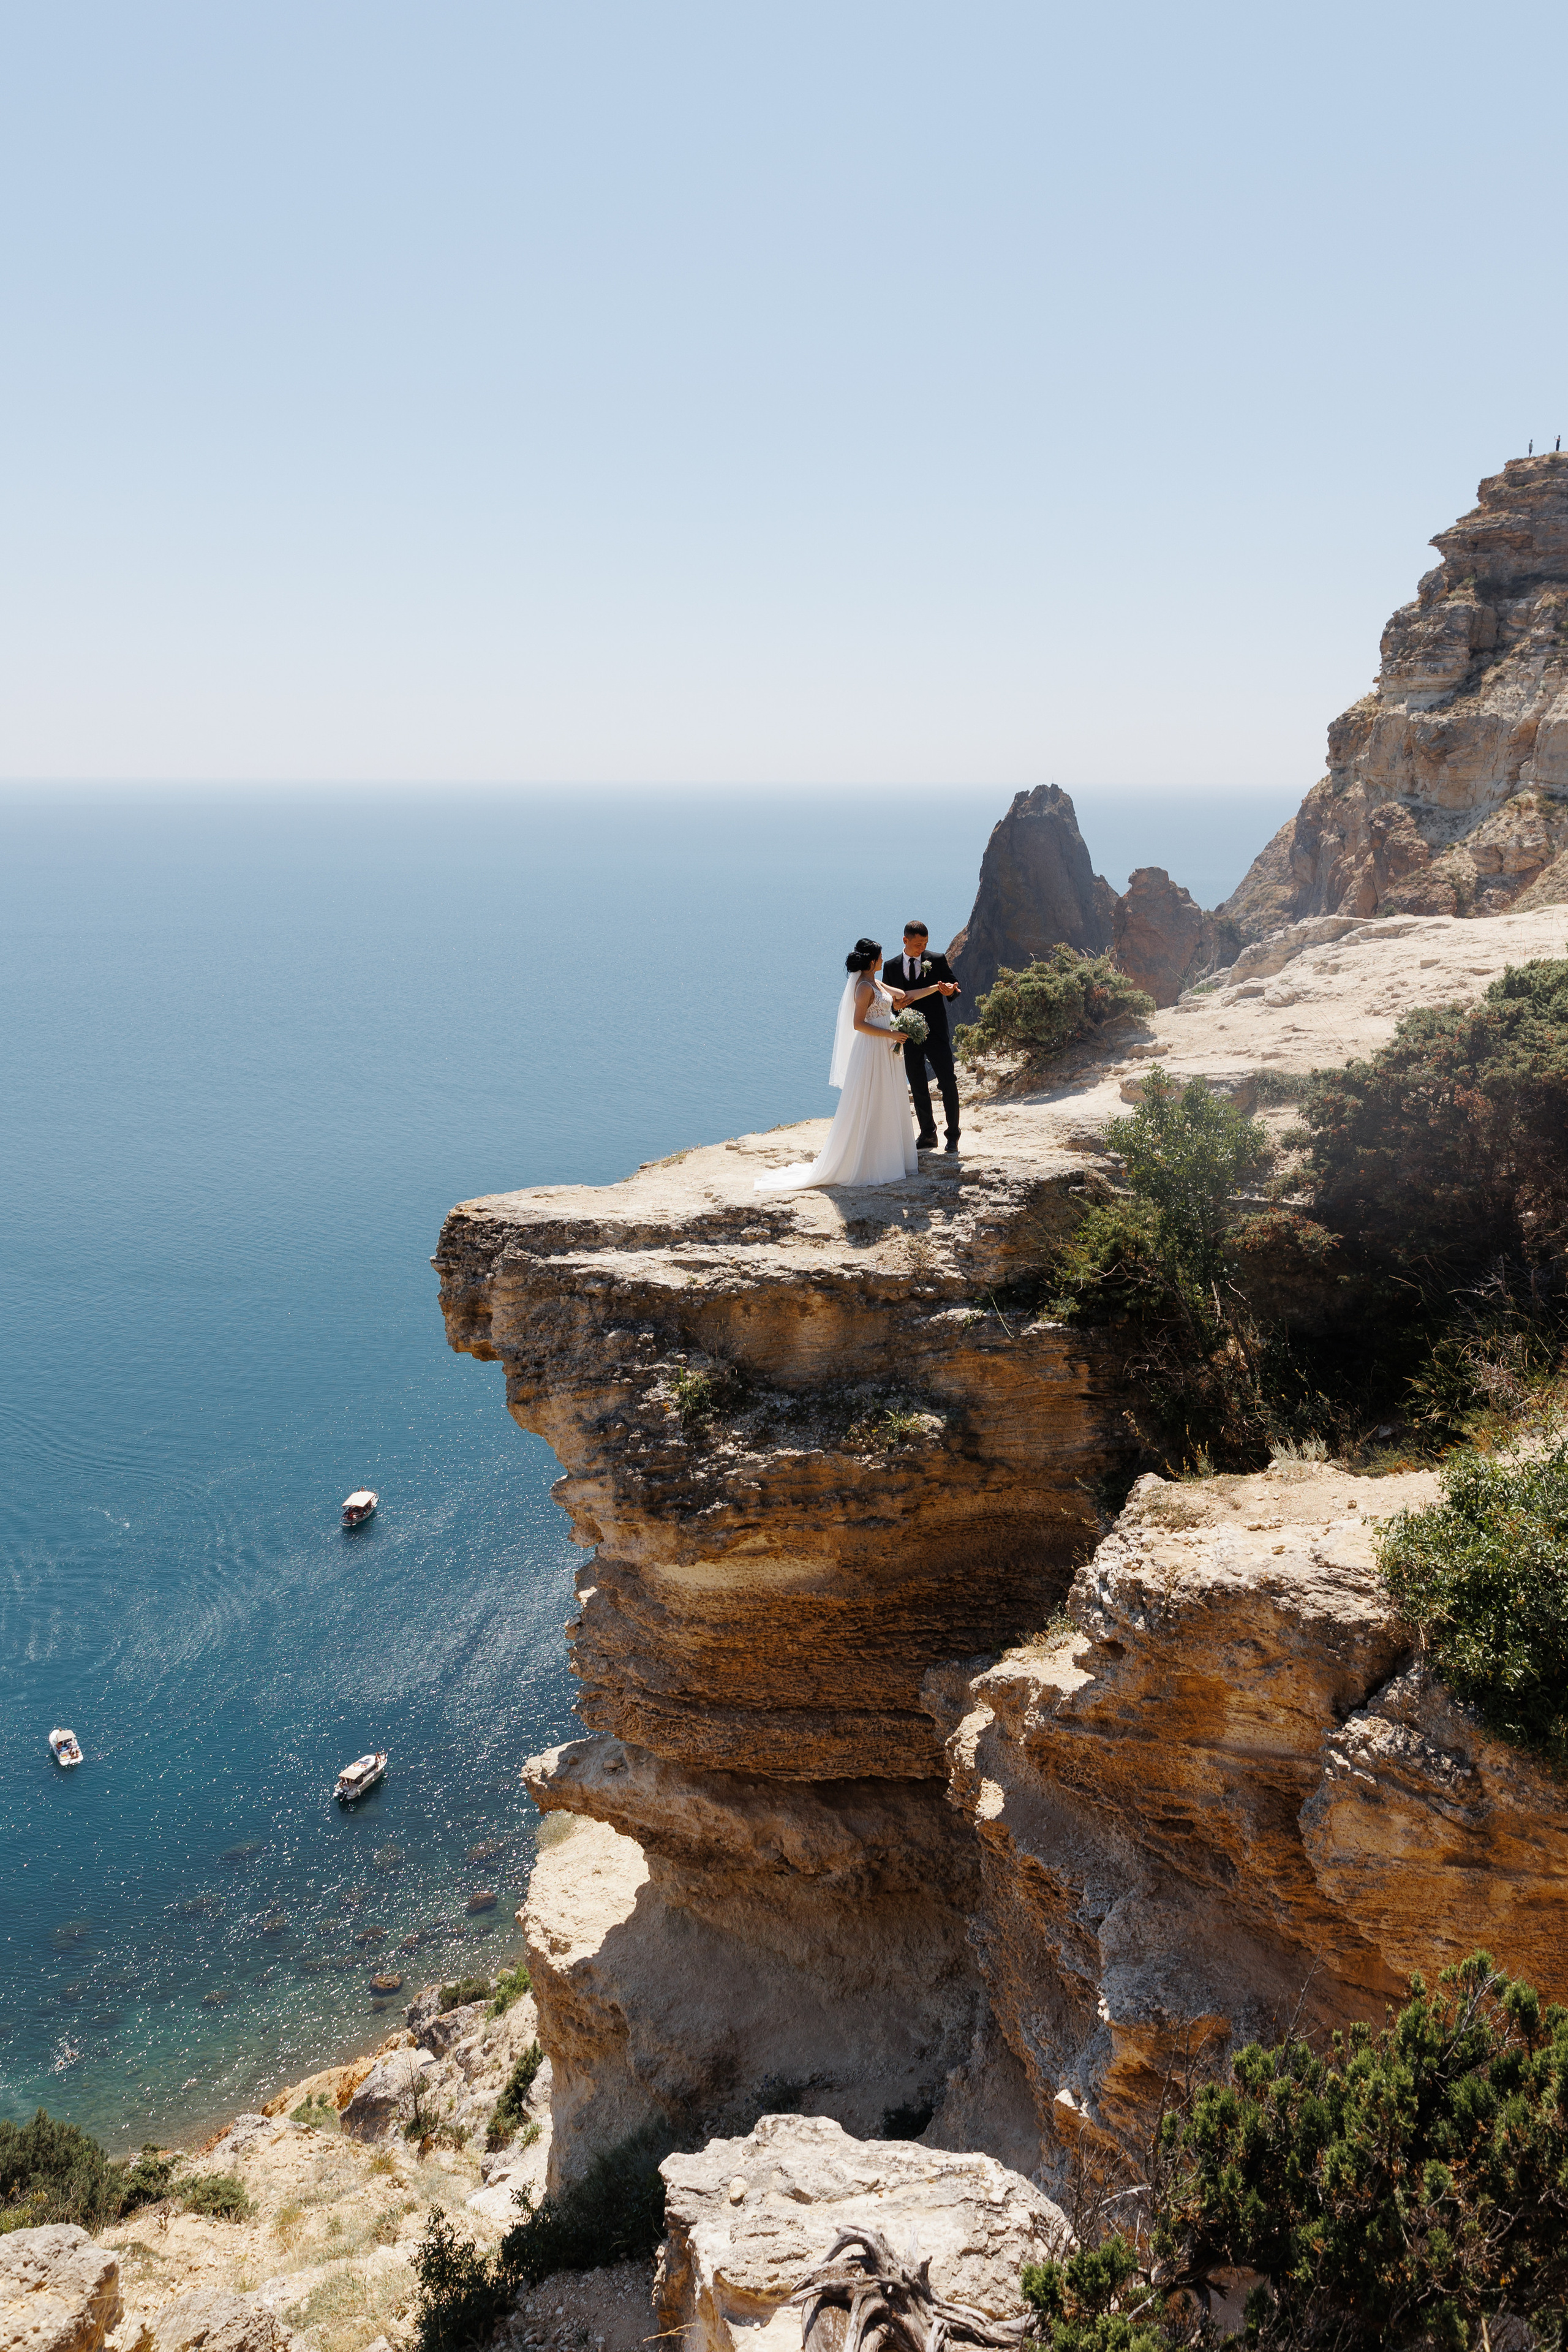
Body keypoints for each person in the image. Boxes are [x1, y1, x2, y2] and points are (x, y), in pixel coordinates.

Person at [755, 939, 917, 1191]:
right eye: (881, 957)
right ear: (872, 961)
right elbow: (858, 1024)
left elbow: (896, 995)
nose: (884, 960)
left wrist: (908, 1000)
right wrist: (892, 1034)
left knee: (887, 1099)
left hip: (887, 1047)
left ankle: (890, 1157)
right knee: (871, 1099)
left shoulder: (875, 981)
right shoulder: (864, 988)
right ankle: (869, 1162)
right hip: (873, 1048)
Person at [889, 922, 962, 1152]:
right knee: (918, 1084)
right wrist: (895, 1005)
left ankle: (953, 1136)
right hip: (908, 1034)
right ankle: (928, 1134)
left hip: (936, 1032)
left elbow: (954, 986)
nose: (923, 948)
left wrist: (951, 991)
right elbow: (889, 1001)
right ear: (905, 941)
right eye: (918, 944)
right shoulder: (891, 966)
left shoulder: (938, 960)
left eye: (926, 943)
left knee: (948, 1082)